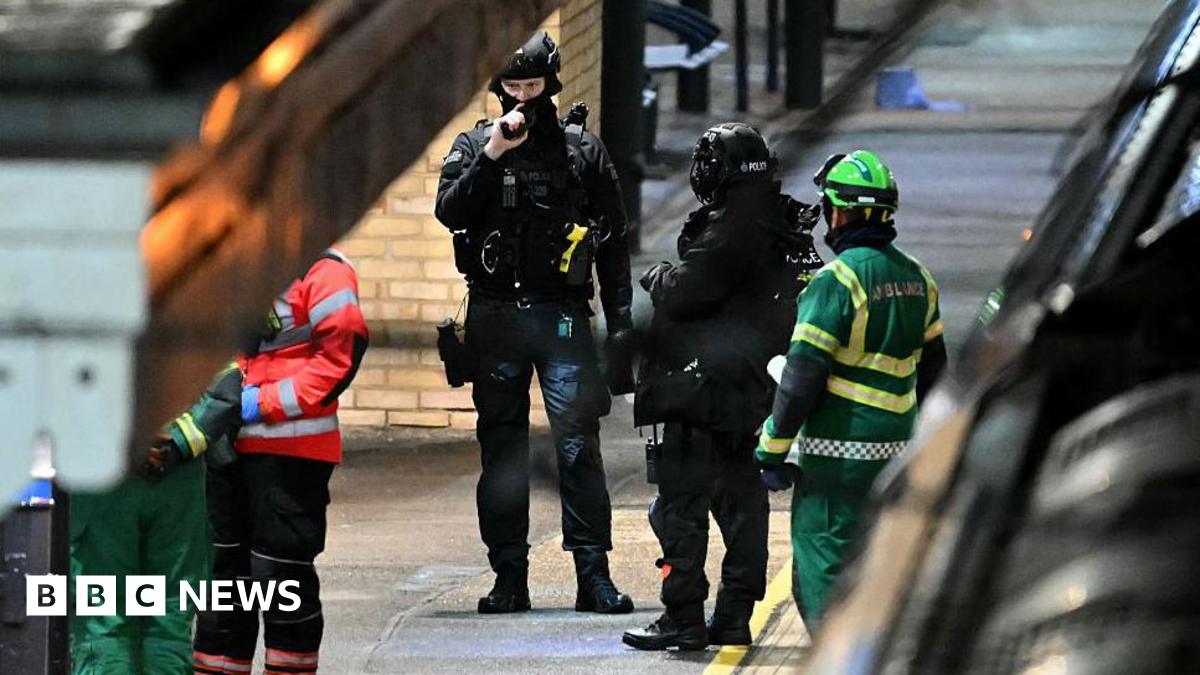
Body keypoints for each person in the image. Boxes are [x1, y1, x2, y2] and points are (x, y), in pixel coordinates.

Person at [434, 30, 637, 615]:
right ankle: (509, 577)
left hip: (562, 315)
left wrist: (621, 324)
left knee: (578, 447)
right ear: (497, 88)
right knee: (502, 449)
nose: (523, 97)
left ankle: (593, 575)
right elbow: (451, 212)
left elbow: (613, 241)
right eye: (513, 86)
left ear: (551, 82)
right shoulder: (475, 146)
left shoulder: (580, 150)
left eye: (533, 85)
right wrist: (493, 153)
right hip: (495, 312)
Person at [622, 123, 823, 651]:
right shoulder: (785, 227)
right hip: (754, 391)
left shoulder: (730, 229)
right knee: (744, 510)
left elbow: (687, 291)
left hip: (701, 392)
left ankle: (682, 615)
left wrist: (658, 275)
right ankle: (734, 616)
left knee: (678, 510)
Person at [755, 150, 947, 630]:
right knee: (883, 569)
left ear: (840, 211)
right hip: (898, 453)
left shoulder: (835, 282)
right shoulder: (918, 279)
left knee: (824, 573)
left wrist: (772, 448)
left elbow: (800, 378)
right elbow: (937, 373)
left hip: (836, 460)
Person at [193, 248, 368, 675]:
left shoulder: (323, 271)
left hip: (292, 454)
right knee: (223, 580)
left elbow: (342, 352)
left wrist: (262, 402)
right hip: (226, 450)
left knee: (281, 578)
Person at [69, 362, 240, 674]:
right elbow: (223, 387)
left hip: (103, 483)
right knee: (168, 622)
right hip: (176, 481)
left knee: (104, 622)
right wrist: (173, 442)